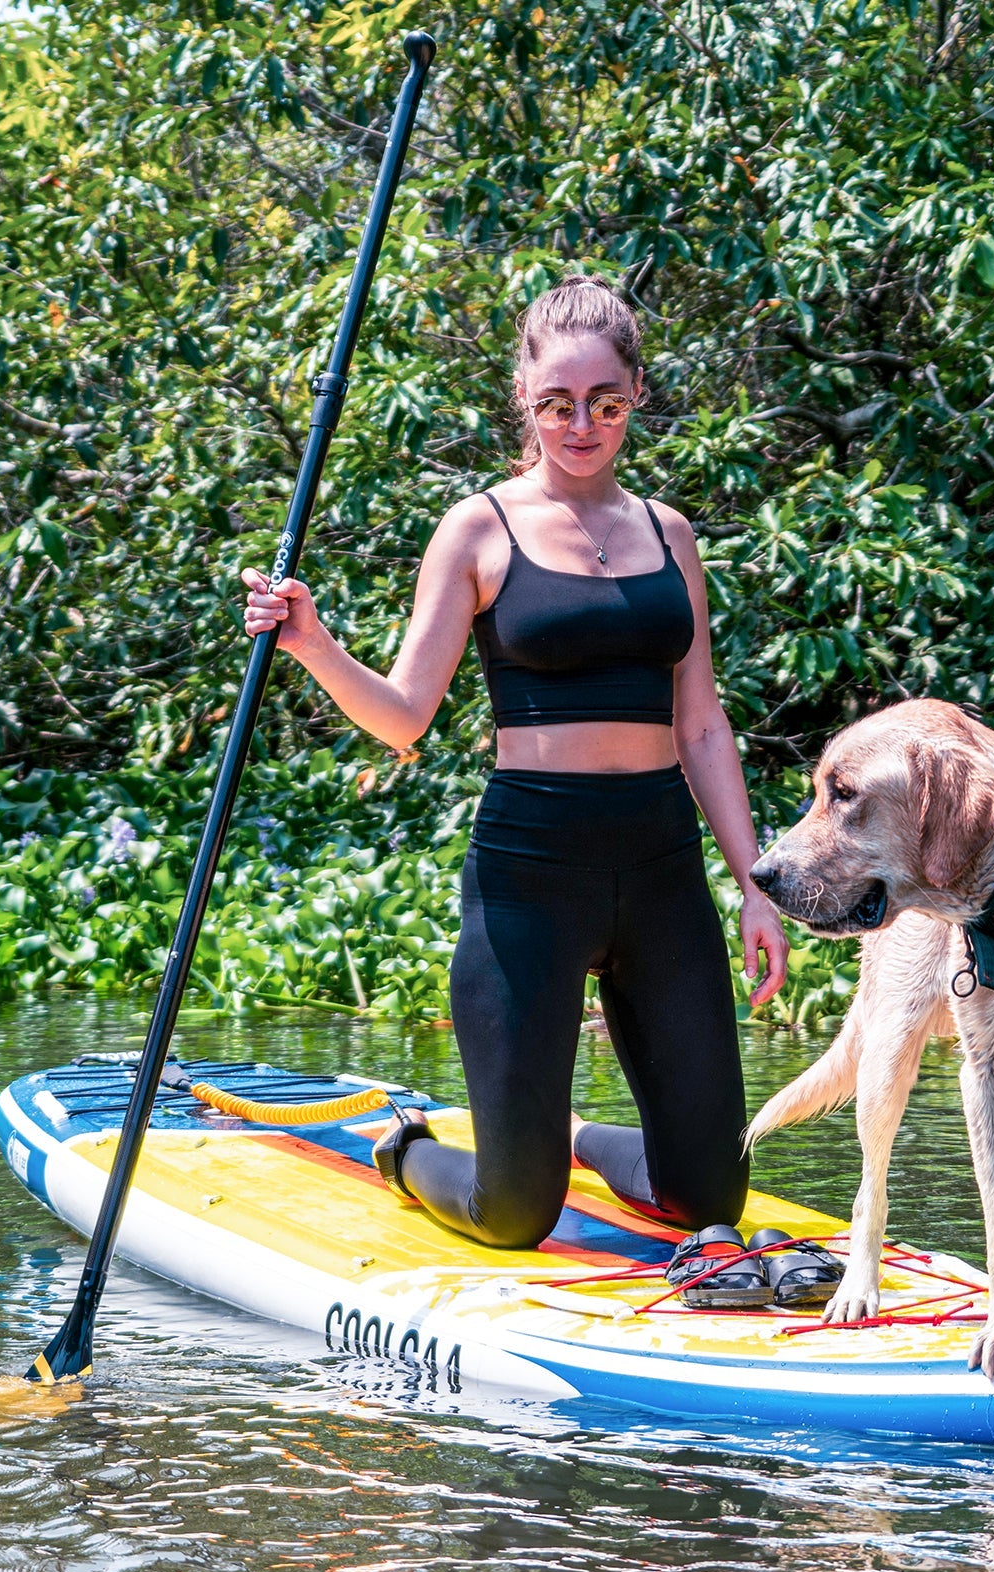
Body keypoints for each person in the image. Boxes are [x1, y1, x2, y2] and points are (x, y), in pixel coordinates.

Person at [242, 273, 788, 1254]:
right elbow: (405, 717)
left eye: (605, 403)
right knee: (513, 1211)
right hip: (530, 881)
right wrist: (314, 646)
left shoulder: (671, 535)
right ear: (523, 401)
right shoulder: (479, 528)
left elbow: (701, 725)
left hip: (661, 872)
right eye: (556, 403)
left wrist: (755, 884)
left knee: (708, 1198)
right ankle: (406, 1150)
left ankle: (573, 1136)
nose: (581, 424)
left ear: (634, 399)